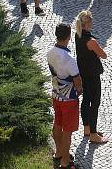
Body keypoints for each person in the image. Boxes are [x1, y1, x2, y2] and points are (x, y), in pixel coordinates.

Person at [47, 23, 83, 169]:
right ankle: (65, 163)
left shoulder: (50, 52)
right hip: (69, 99)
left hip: (56, 94)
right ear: (69, 37)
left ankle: (59, 153)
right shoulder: (69, 58)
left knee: (57, 122)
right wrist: (79, 91)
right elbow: (77, 80)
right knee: (67, 130)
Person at [74, 10, 108, 144]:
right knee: (95, 103)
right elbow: (103, 55)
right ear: (87, 23)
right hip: (92, 75)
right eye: (91, 20)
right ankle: (93, 134)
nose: (93, 22)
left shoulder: (78, 35)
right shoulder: (91, 41)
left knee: (86, 100)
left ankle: (87, 129)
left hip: (83, 73)